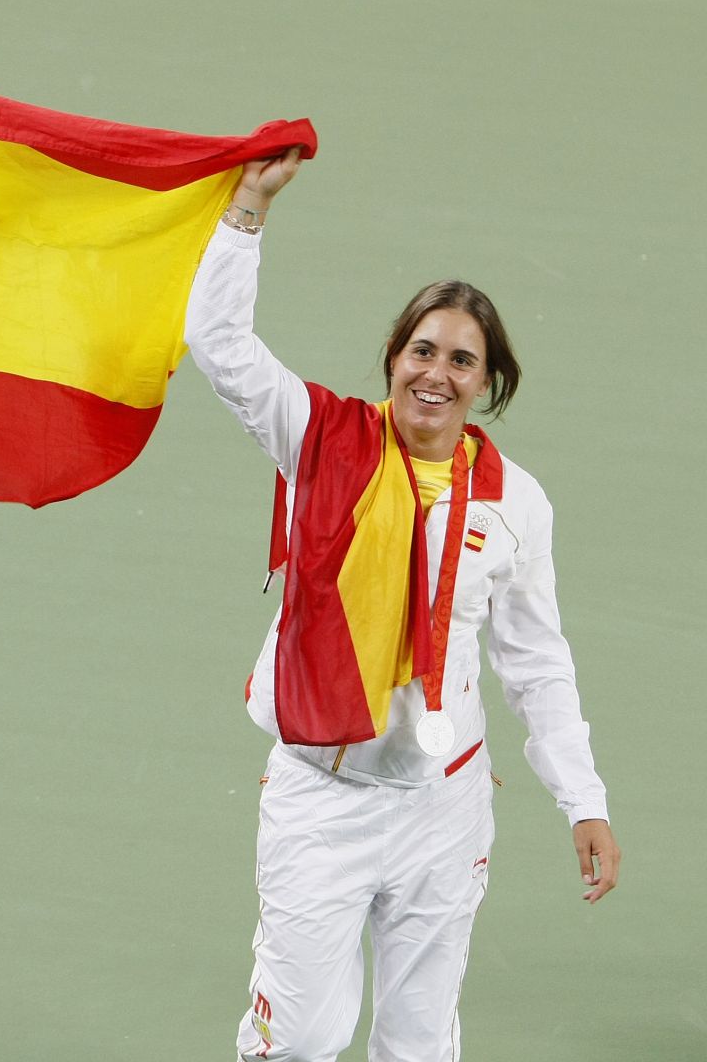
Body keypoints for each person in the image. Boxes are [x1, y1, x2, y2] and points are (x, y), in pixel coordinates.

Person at [182, 150, 620, 1061]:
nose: (438, 373)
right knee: (298, 1042)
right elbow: (220, 347)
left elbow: (536, 663)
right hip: (321, 795)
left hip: (444, 804)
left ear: (486, 383)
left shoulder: (515, 502)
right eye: (423, 350)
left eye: (463, 361)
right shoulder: (320, 439)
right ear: (392, 356)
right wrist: (247, 212)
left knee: (420, 1044)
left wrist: (583, 799)